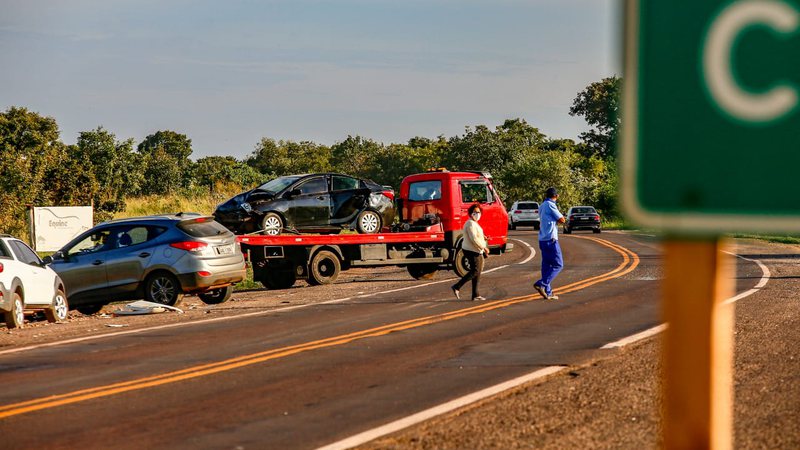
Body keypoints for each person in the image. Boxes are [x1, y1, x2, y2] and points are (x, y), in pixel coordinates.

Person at [451, 203, 489, 301]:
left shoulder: (474, 223)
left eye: (479, 212)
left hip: (476, 250)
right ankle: (457, 286)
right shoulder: (470, 223)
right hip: (471, 250)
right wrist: (484, 247)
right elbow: (474, 239)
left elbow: (477, 234)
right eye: (475, 212)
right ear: (471, 213)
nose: (477, 214)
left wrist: (484, 237)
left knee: (478, 272)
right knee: (475, 271)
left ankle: (475, 295)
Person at [534, 187, 566, 300]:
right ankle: (542, 283)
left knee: (546, 266)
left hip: (542, 239)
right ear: (556, 196)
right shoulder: (551, 204)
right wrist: (560, 219)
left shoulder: (542, 205)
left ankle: (548, 292)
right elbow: (562, 219)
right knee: (558, 264)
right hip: (551, 239)